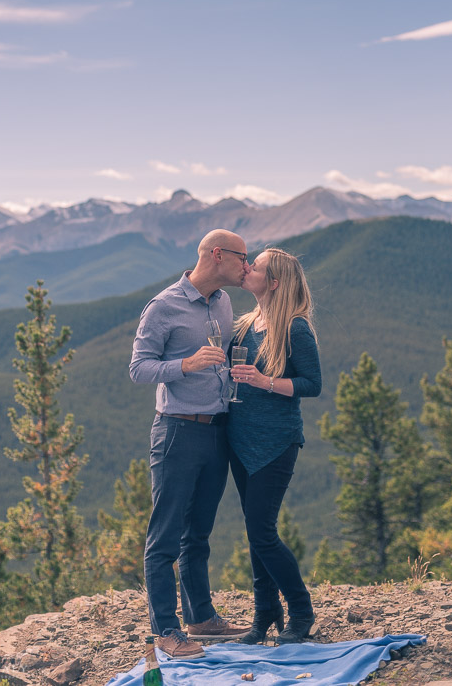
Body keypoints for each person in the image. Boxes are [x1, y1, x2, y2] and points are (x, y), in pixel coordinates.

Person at [129, 229, 251, 660]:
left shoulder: (223, 301)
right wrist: (187, 363)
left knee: (197, 533)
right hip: (177, 430)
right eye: (242, 257)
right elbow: (138, 368)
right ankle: (165, 630)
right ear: (218, 255)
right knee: (164, 536)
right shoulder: (164, 306)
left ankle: (201, 618)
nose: (247, 266)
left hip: (217, 429)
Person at [228, 247, 322, 645]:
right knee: (254, 531)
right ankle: (265, 612)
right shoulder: (246, 322)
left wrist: (262, 381)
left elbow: (312, 385)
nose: (247, 268)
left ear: (275, 281)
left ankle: (301, 611)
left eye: (257, 267)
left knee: (263, 532)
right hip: (240, 440)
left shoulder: (295, 328)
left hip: (277, 441)